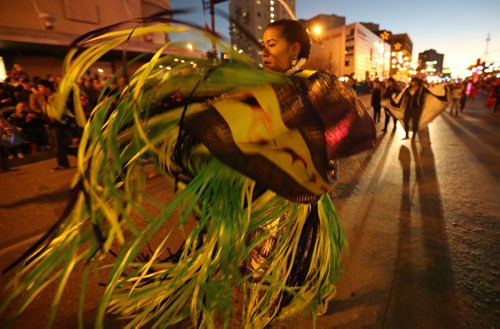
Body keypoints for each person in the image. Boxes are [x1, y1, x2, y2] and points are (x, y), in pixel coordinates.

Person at [2, 18, 375, 329]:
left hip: (300, 201)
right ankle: (265, 308)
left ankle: (298, 296)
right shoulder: (263, 85)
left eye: (273, 43)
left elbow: (339, 128)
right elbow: (233, 120)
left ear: (295, 49)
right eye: (263, 43)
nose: (264, 50)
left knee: (298, 257)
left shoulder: (318, 83)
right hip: (262, 196)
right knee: (257, 263)